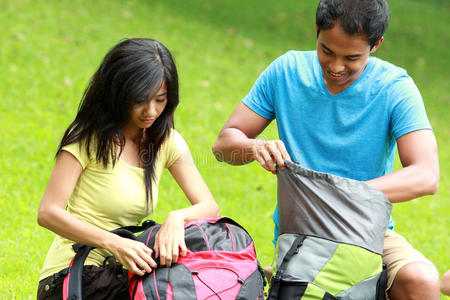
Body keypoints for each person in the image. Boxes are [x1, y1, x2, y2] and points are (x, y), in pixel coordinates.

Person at [212, 0, 441, 299]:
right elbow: (222, 145)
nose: (335, 67)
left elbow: (426, 175)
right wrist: (254, 147)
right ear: (316, 30)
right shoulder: (287, 71)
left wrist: (342, 196)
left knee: (421, 279)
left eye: (352, 58)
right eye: (327, 51)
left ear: (377, 45)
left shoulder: (395, 88)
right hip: (303, 236)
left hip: (367, 233)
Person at [37, 38, 220, 299]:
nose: (152, 111)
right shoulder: (88, 137)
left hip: (124, 272)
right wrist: (112, 242)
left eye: (160, 99)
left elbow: (209, 207)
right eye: (140, 100)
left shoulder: (164, 140)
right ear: (118, 93)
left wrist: (177, 218)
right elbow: (48, 212)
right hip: (75, 276)